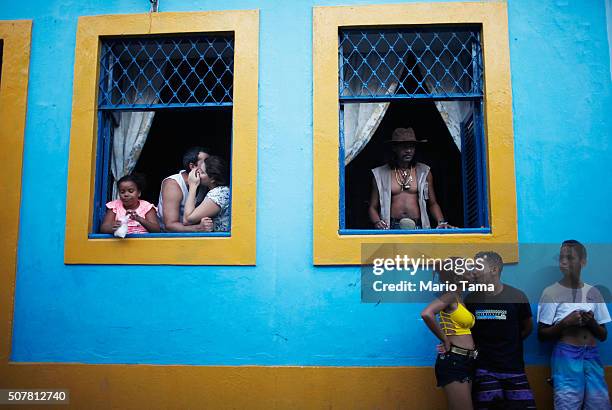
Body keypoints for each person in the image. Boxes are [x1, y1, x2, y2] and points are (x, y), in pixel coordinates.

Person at [537, 240, 611, 410]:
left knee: (599, 405)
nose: (563, 262)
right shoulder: (551, 293)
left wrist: (591, 322)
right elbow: (541, 335)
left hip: (592, 355)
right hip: (566, 356)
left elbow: (603, 335)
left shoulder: (593, 292)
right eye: (561, 258)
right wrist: (565, 323)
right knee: (567, 404)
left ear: (583, 262)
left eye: (569, 258)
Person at [465, 251, 536, 409]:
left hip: (514, 369)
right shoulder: (471, 299)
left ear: (494, 270)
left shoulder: (517, 296)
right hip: (484, 370)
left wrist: (510, 342)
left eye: (478, 266)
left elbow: (527, 327)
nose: (473, 271)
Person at [368, 127, 451, 230]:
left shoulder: (424, 172)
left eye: (412, 146)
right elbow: (372, 207)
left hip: (418, 227)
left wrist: (441, 222)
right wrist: (377, 222)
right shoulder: (380, 174)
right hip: (391, 227)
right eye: (404, 147)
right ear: (394, 148)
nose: (408, 150)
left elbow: (433, 203)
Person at [421, 264, 477, 410]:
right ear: (457, 277)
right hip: (454, 360)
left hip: (467, 360)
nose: (473, 274)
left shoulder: (459, 297)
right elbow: (427, 313)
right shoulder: (450, 295)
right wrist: (445, 339)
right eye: (468, 271)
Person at [157, 146, 214, 232]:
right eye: (206, 162)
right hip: (168, 237)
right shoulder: (173, 184)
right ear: (192, 166)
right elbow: (170, 225)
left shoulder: (204, 182)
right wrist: (199, 228)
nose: (210, 165)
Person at [183, 156, 231, 232]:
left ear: (212, 179)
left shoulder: (219, 194)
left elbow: (187, 219)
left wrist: (193, 186)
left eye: (202, 172)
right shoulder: (217, 190)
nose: (198, 173)